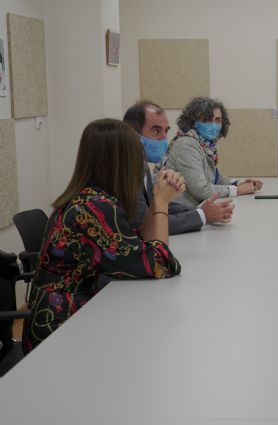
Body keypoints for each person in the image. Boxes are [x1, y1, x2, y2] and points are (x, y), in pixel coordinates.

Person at [23, 119, 184, 353]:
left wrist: (159, 203)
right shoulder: (93, 209)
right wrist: (160, 201)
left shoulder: (90, 199)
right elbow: (160, 264)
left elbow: (139, 246)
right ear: (122, 162)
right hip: (59, 330)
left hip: (66, 315)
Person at [123, 100, 235, 234]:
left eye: (166, 131)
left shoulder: (141, 163)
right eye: (156, 130)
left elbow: (158, 204)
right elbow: (144, 225)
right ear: (132, 133)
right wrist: (202, 215)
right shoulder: (125, 170)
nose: (164, 138)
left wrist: (201, 212)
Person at [160, 97, 263, 208]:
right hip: (177, 214)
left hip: (193, 210)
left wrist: (239, 183)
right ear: (193, 121)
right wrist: (237, 190)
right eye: (207, 120)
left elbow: (214, 178)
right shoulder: (186, 144)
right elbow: (200, 189)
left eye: (218, 120)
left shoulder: (205, 145)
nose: (213, 125)